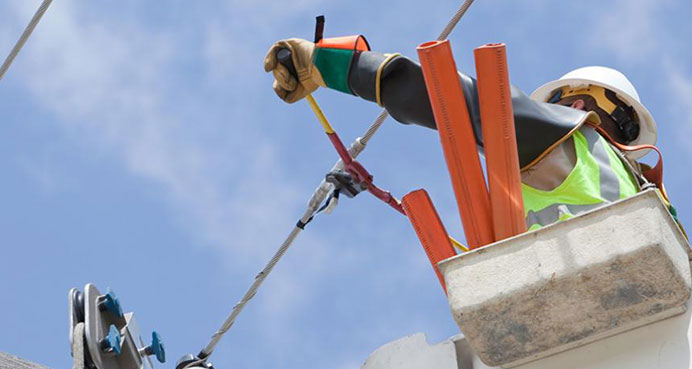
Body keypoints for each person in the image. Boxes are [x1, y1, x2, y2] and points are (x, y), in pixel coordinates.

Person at [264, 36, 665, 230]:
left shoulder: (575, 141)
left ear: (575, 105)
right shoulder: (645, 198)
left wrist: (327, 65)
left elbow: (457, 102)